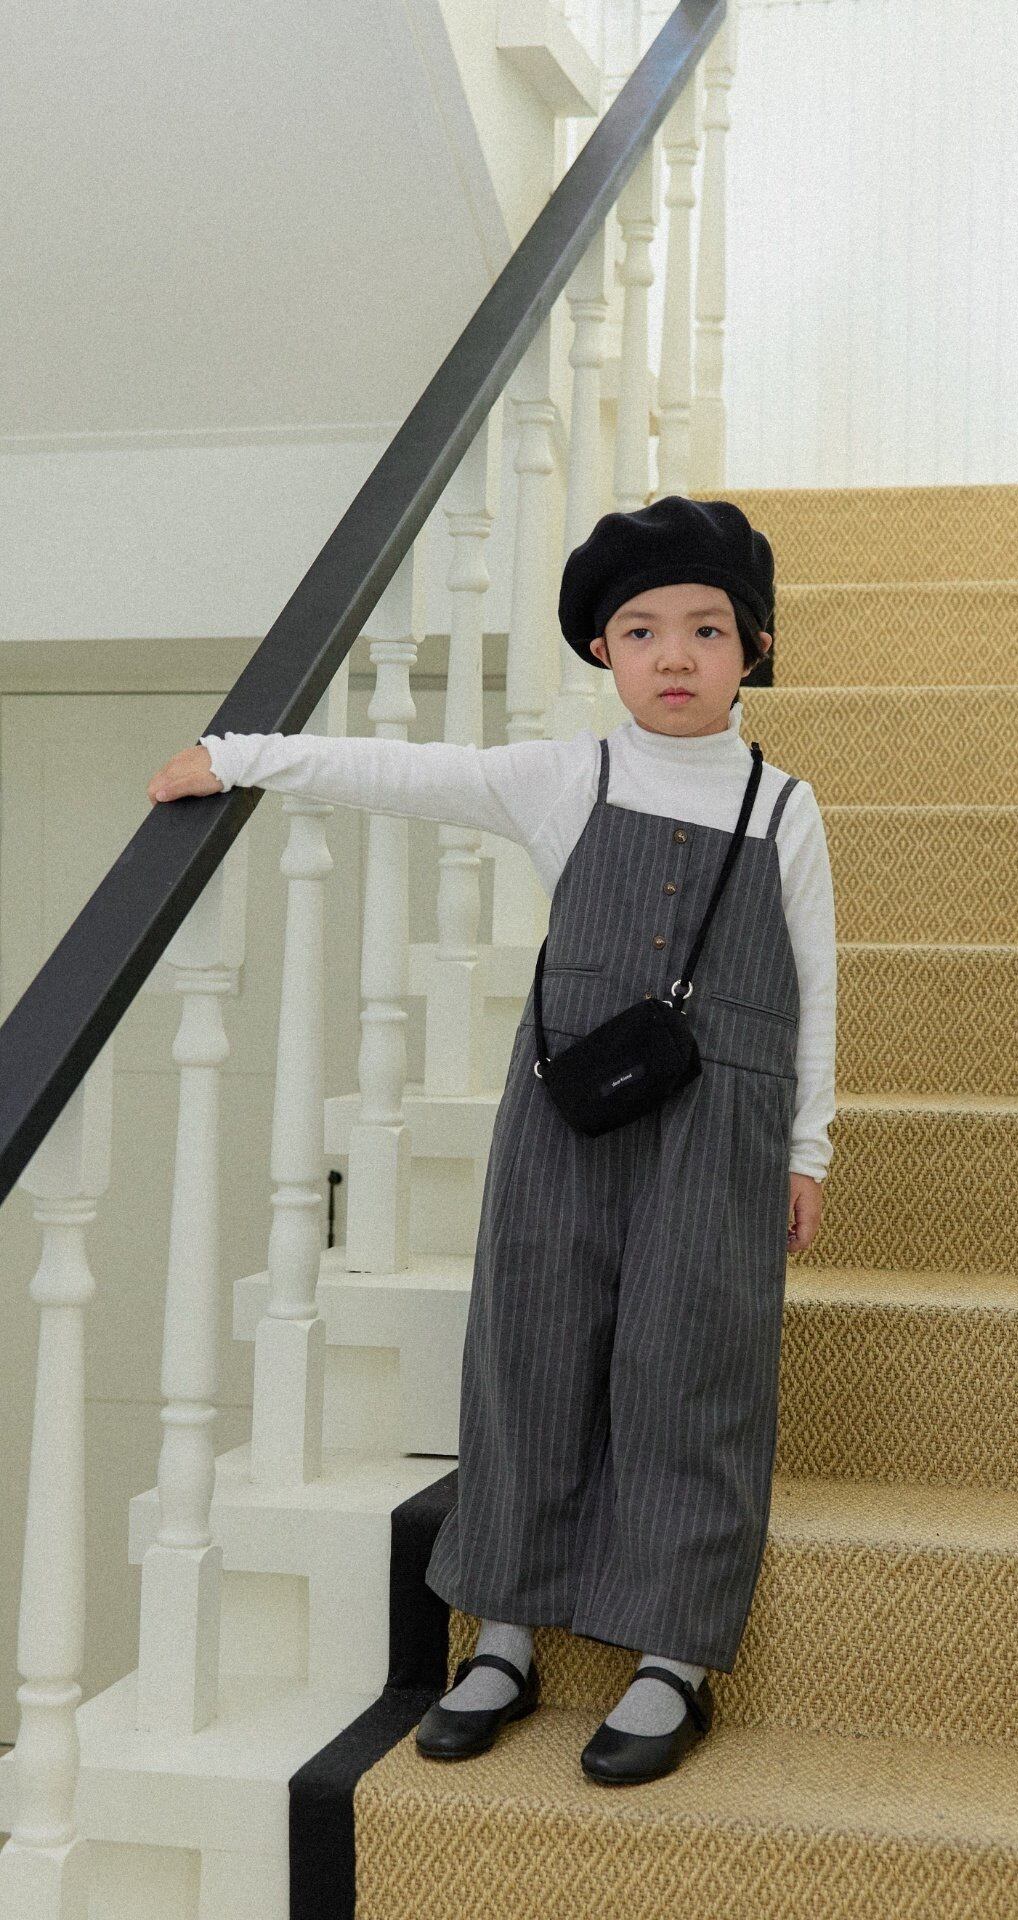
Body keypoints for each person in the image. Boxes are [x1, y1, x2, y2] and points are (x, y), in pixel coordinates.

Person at [147, 495, 837, 1787]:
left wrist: (809, 1150)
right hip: (569, 1116)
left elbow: (815, 986)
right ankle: (504, 1635)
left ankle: (673, 1654)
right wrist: (237, 757)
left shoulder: (785, 809)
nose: (675, 656)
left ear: (753, 648)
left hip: (723, 1128)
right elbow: (404, 776)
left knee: (693, 1366)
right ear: (603, 651)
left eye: (706, 629)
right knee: (531, 1344)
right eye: (643, 631)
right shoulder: (566, 777)